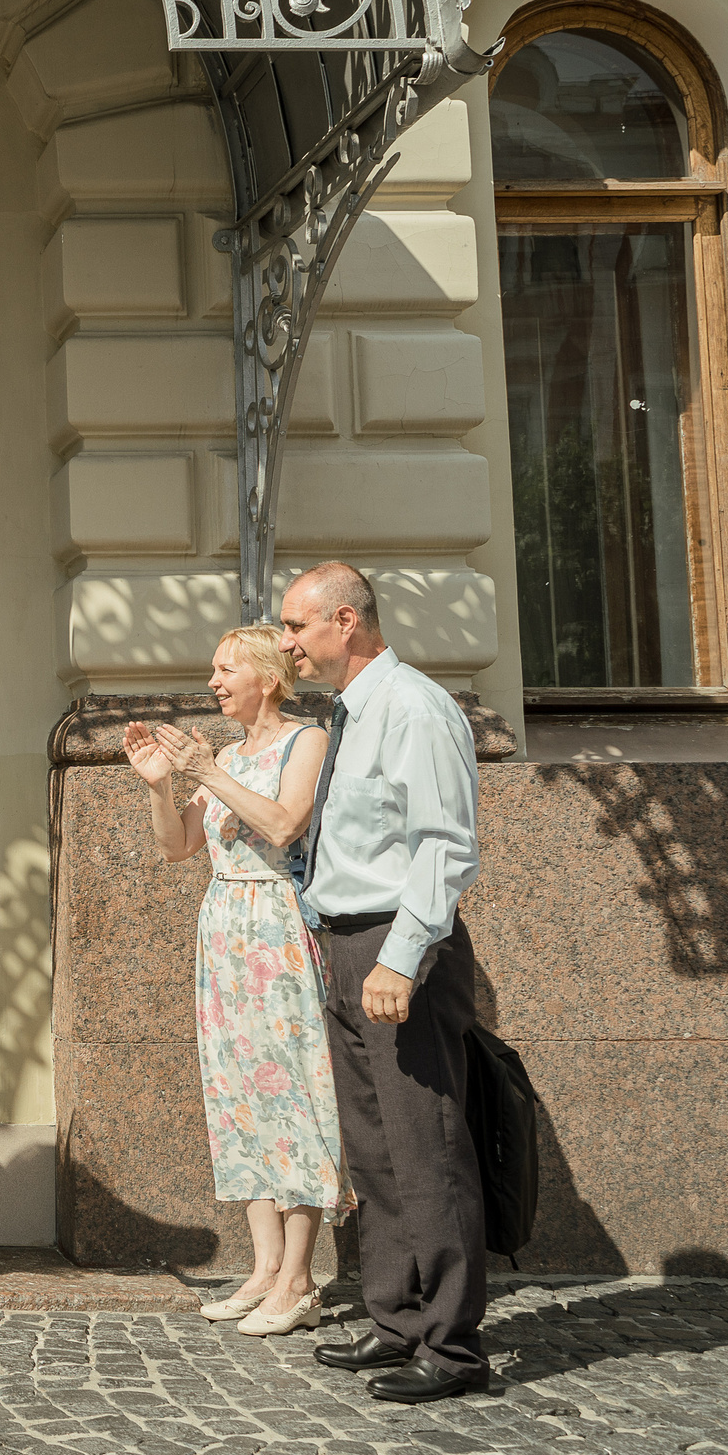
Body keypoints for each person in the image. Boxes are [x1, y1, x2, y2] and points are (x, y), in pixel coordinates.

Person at [277, 562, 486, 1404]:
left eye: (296, 625)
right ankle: (397, 1318)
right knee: (375, 1148)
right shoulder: (350, 712)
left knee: (426, 1146)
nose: (286, 642)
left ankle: (452, 1344)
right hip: (346, 945)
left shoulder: (415, 708)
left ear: (346, 620)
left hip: (399, 947)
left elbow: (443, 844)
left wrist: (399, 958)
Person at [122, 626, 344, 1338]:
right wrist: (162, 786)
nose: (214, 682)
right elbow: (178, 846)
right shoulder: (224, 754)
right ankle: (264, 1266)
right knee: (238, 1092)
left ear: (269, 678)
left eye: (227, 669)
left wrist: (206, 773)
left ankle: (300, 1278)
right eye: (214, 670)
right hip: (224, 930)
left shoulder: (306, 741)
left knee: (295, 1090)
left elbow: (283, 825)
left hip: (278, 927)